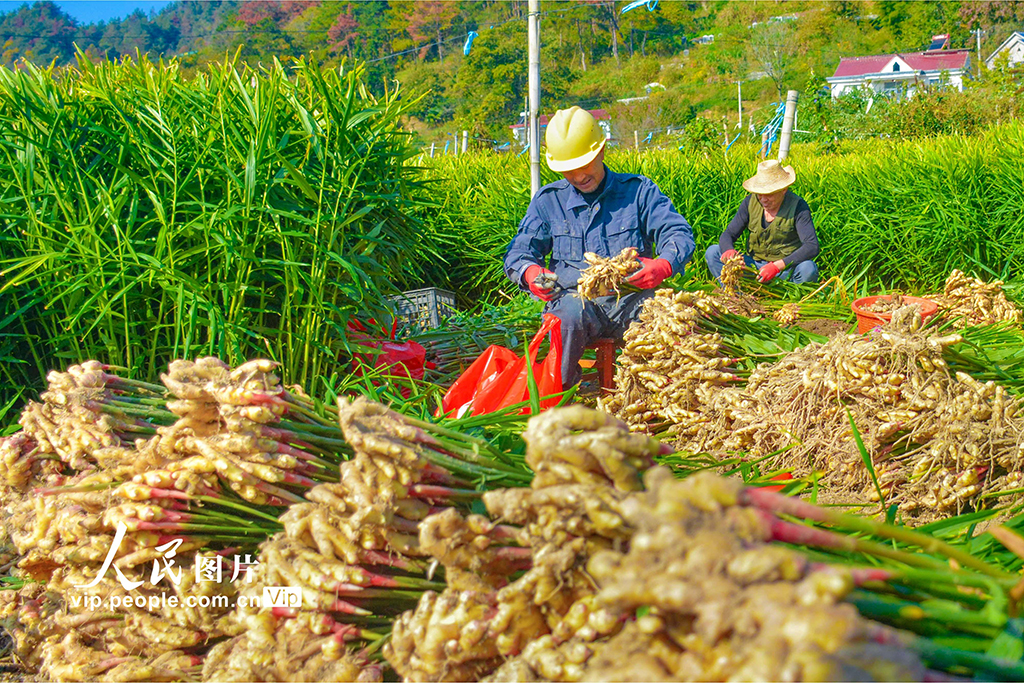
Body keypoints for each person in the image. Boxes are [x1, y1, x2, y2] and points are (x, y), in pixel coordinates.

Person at [503, 106, 695, 388]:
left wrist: (663, 265)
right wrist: (531, 274)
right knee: (567, 315)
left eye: (585, 165)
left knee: (670, 315)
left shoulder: (638, 191)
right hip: (573, 303)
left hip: (631, 300)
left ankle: (659, 398)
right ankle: (561, 399)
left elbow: (678, 233)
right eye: (569, 170)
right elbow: (519, 253)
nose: (579, 176)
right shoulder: (548, 201)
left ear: (602, 151)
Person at [705, 160, 820, 285]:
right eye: (760, 194)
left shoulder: (798, 206)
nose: (763, 199)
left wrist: (777, 266)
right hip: (754, 267)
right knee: (713, 252)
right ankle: (735, 294)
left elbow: (811, 246)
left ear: (783, 190)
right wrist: (729, 251)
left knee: (808, 269)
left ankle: (789, 296)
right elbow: (728, 234)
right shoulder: (750, 202)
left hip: (784, 271)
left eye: (769, 194)